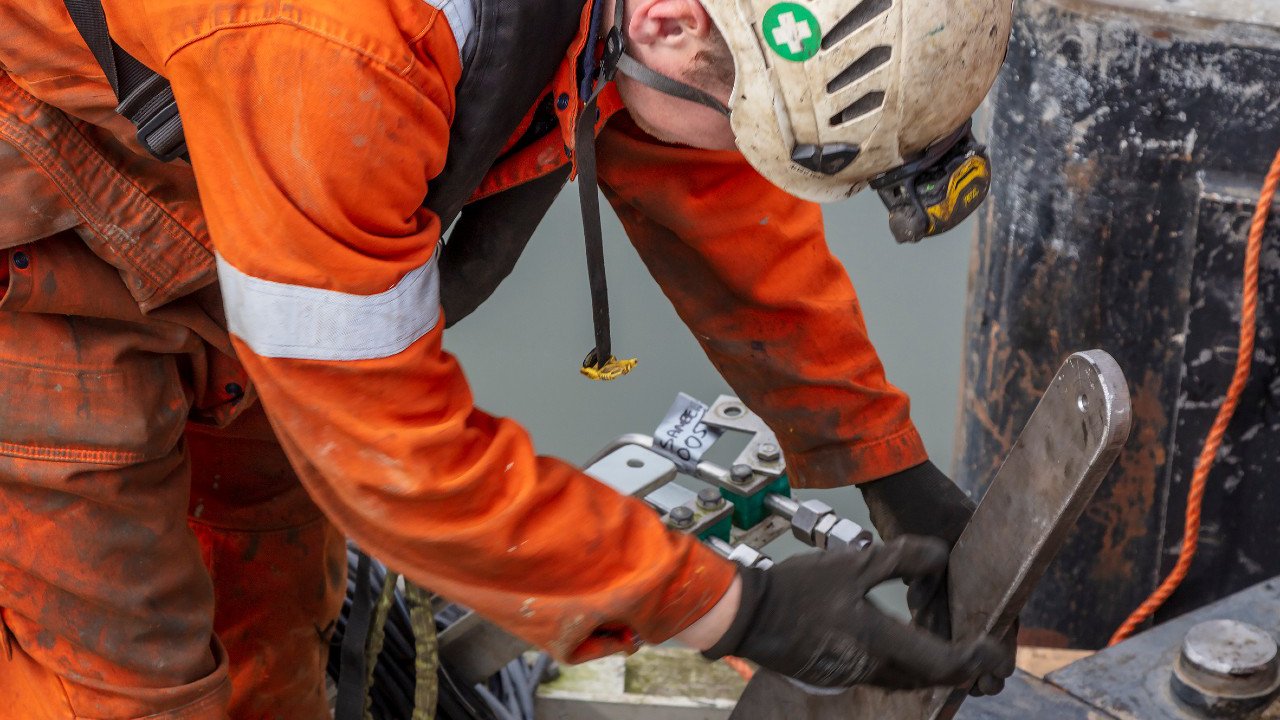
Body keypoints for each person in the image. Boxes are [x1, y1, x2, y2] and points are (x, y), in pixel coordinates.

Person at [0, 0, 1013, 715]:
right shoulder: (349, 47)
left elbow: (699, 186)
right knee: (123, 682)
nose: (739, 171)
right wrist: (733, 610)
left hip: (244, 196)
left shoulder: (665, 24)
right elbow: (388, 458)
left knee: (266, 627)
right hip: (43, 235)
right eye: (745, 138)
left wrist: (879, 453)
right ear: (665, 22)